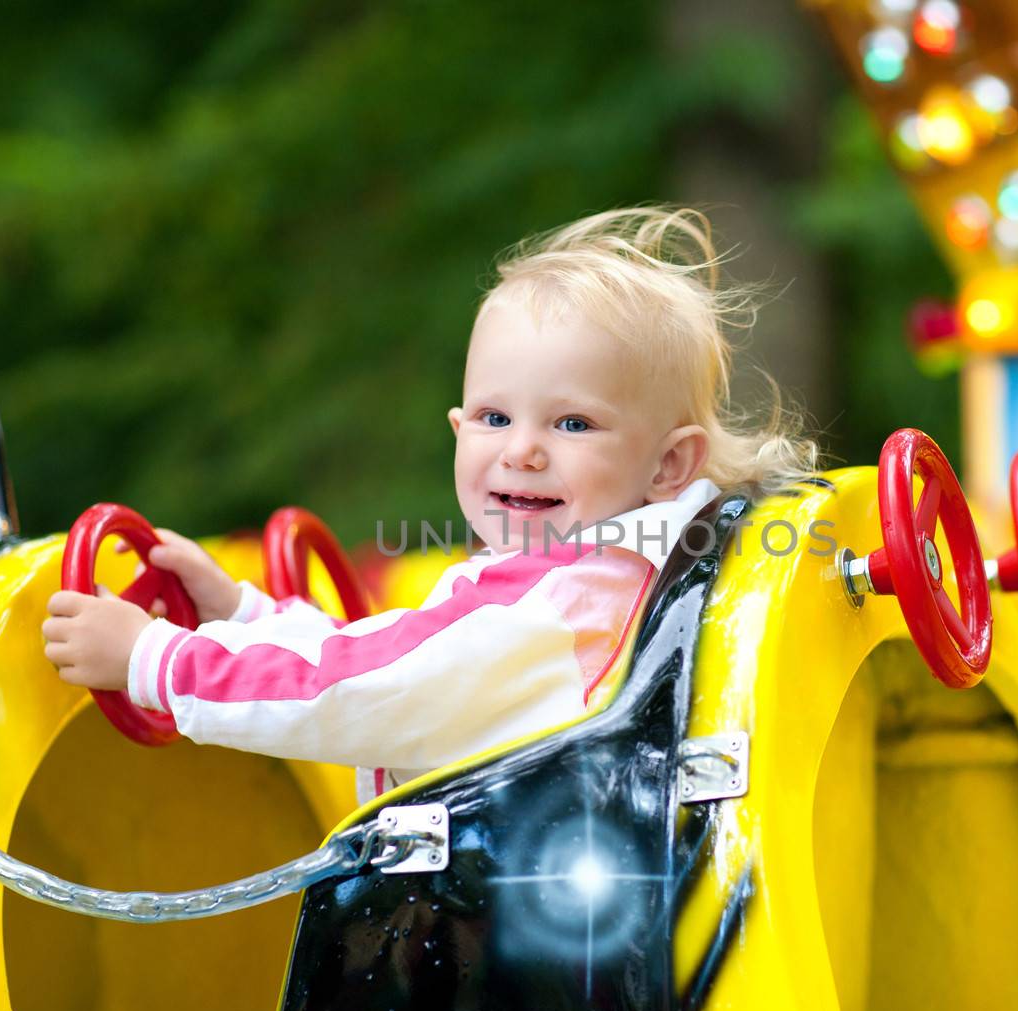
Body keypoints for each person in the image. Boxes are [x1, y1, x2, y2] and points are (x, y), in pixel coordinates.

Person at [42, 206, 817, 802]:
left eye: (572, 423)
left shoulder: (566, 605)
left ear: (668, 462)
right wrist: (242, 615)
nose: (522, 450)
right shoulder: (586, 580)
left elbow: (371, 689)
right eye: (493, 417)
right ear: (459, 426)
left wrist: (154, 658)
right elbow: (401, 655)